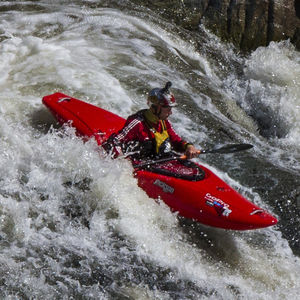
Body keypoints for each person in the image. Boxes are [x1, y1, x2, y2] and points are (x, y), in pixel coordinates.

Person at [104, 81, 200, 161]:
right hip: (143, 165)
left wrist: (189, 147)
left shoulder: (164, 122)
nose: (170, 113)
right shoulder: (137, 123)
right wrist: (123, 162)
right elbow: (114, 142)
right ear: (155, 107)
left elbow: (176, 141)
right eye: (167, 108)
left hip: (160, 161)